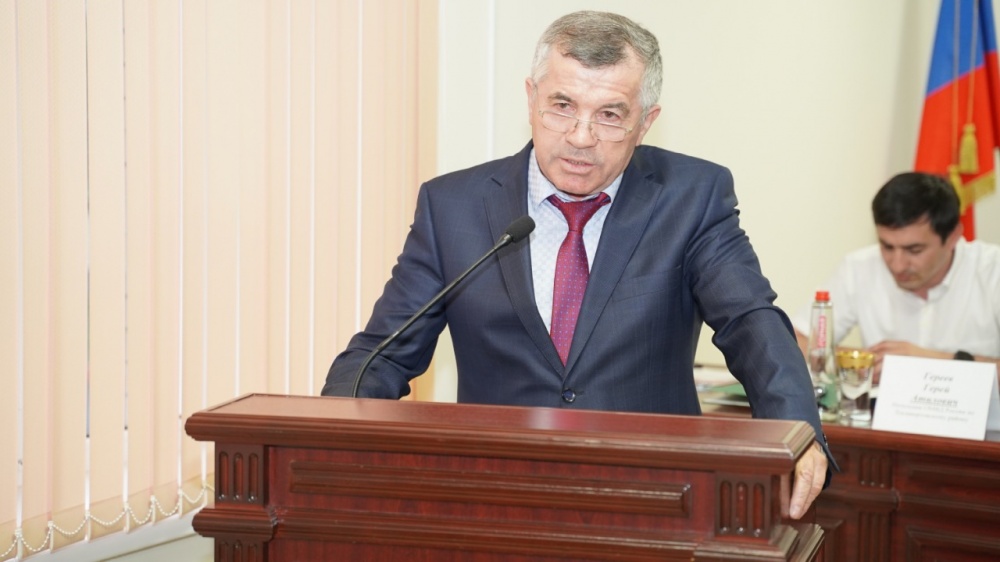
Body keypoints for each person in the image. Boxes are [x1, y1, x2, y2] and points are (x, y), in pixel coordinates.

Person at [323, 10, 831, 519]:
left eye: (609, 115)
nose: (581, 136)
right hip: (494, 499)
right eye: (562, 106)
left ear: (645, 122)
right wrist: (324, 439)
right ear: (531, 98)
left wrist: (797, 430)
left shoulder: (691, 198)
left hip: (652, 498)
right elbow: (383, 354)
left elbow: (749, 320)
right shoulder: (454, 207)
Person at [792, 172, 1000, 379]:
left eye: (914, 250)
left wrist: (928, 362)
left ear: (953, 236)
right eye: (887, 246)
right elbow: (795, 342)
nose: (897, 265)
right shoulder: (859, 267)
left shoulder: (992, 270)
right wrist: (863, 360)